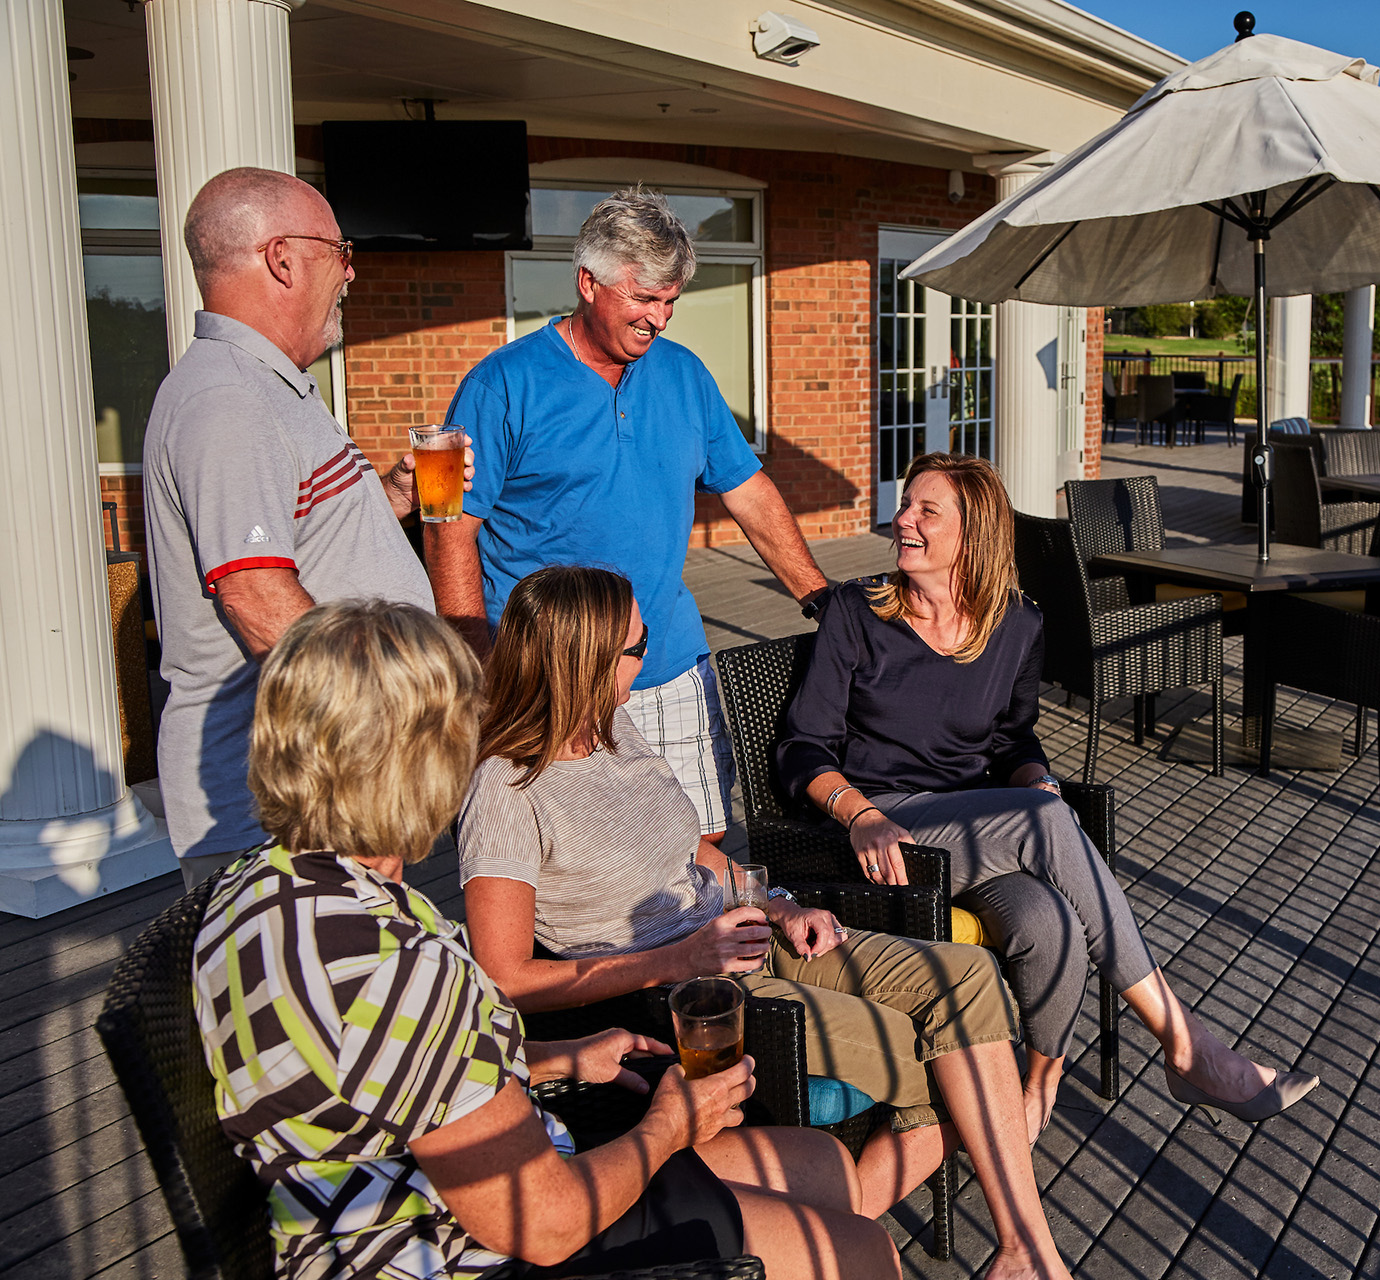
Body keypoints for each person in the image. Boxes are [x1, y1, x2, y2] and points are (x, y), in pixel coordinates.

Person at [193, 599, 898, 1280]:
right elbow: (547, 1224)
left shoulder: (252, 887)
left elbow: (388, 1067)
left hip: (410, 1191)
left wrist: (551, 1058)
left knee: (823, 1165)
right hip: (450, 1247)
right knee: (862, 1252)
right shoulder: (401, 967)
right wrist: (667, 1125)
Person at [457, 566, 1071, 1280]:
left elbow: (691, 848)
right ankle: (841, 1233)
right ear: (582, 660)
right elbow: (504, 978)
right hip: (685, 994)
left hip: (743, 930)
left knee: (968, 977)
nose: (646, 657)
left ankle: (1018, 1248)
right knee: (938, 1054)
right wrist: (680, 960)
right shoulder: (505, 784)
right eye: (634, 647)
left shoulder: (610, 725)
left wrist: (780, 905)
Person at [776, 453, 1321, 1139]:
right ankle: (1189, 1047)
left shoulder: (1017, 624)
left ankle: (1039, 1085)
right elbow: (802, 748)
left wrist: (1036, 781)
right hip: (886, 832)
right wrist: (860, 815)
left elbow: (1013, 739)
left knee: (1047, 921)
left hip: (976, 831)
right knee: (1041, 821)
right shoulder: (856, 614)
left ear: (973, 536)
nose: (902, 519)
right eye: (905, 503)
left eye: (925, 510)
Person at [426, 186, 829, 847]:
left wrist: (817, 594)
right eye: (644, 299)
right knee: (566, 862)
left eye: (670, 302)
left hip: (668, 661)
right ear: (588, 282)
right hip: (546, 677)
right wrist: (483, 666)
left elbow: (746, 488)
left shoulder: (686, 374)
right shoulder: (494, 384)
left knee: (701, 849)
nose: (659, 319)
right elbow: (447, 530)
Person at [142, 166, 470, 889]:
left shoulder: (267, 387)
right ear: (282, 258)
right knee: (319, 999)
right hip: (290, 804)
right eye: (339, 251)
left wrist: (390, 495)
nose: (351, 272)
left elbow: (305, 543)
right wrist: (373, 766)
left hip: (323, 787)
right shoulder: (229, 399)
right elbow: (256, 599)